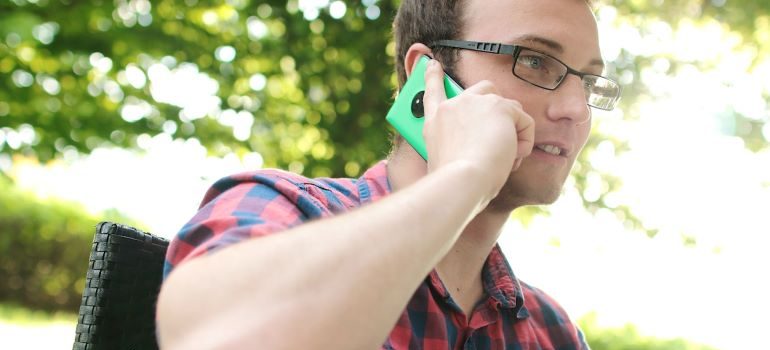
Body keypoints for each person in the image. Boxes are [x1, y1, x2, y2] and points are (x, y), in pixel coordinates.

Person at [156, 0, 621, 348]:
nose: (576, 109)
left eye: (587, 81)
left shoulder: (552, 332)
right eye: (534, 60)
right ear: (427, 75)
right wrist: (466, 173)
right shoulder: (278, 207)